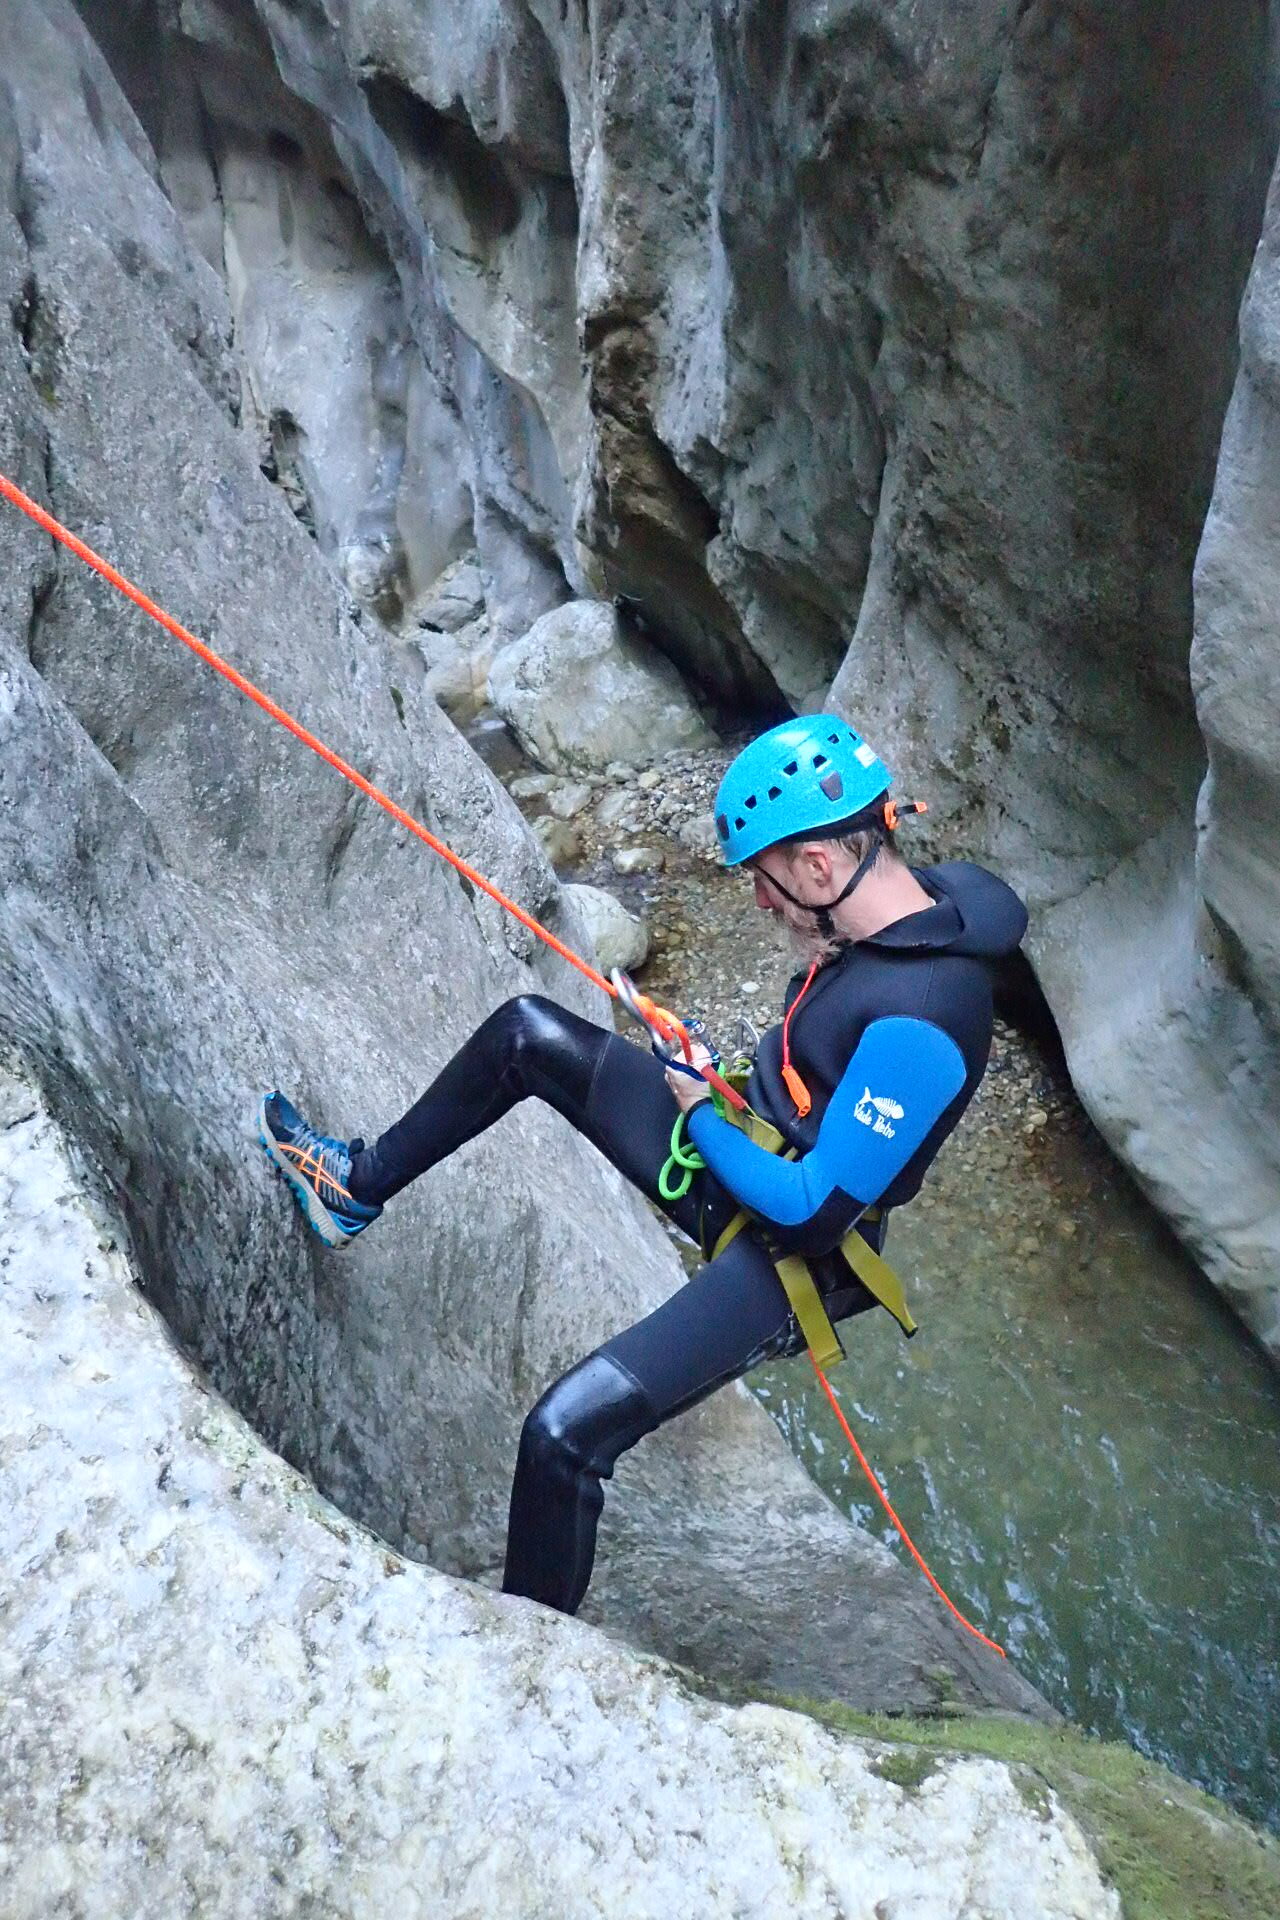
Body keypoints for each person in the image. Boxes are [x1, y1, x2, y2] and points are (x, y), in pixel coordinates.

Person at [259, 715, 1027, 1615]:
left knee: (561, 1435)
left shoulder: (923, 1020)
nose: (762, 904)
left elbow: (814, 1212)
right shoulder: (916, 906)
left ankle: (527, 1654)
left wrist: (698, 1112)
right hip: (746, 1146)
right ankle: (349, 1191)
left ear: (822, 867)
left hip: (793, 1252)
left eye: (768, 881)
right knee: (524, 1035)